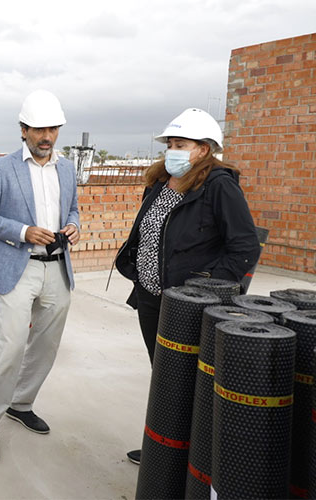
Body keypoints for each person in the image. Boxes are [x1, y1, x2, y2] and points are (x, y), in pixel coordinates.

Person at [114, 108, 261, 465]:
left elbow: (244, 247)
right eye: (170, 144)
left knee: (190, 384)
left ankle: (192, 462)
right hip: (152, 298)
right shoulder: (160, 182)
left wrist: (205, 289)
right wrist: (134, 266)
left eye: (181, 145)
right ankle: (164, 448)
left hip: (189, 306)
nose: (172, 151)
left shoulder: (219, 186)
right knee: (164, 377)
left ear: (204, 149)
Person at [0, 90, 80, 462]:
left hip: (58, 268)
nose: (46, 136)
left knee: (46, 347)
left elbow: (73, 209)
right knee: (10, 348)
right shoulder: (2, 169)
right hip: (19, 268)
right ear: (23, 130)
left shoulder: (67, 168)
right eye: (38, 129)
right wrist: (23, 231)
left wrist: (73, 225)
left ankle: (21, 403)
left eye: (52, 129)